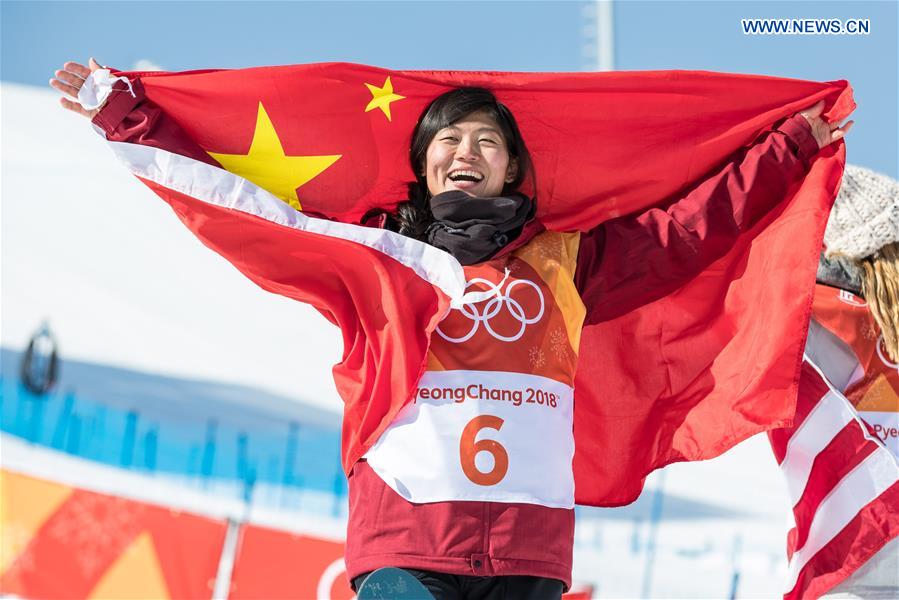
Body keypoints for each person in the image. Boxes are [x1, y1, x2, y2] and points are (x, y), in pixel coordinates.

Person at [52, 59, 852, 599]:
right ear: (425, 163)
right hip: (407, 538)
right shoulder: (377, 260)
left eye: (486, 142)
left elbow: (688, 230)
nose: (466, 151)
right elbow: (241, 213)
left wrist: (790, 145)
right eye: (448, 139)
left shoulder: (566, 262)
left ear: (510, 168)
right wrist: (128, 117)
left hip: (529, 542)